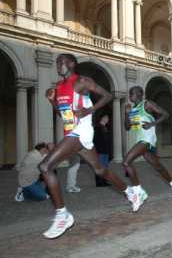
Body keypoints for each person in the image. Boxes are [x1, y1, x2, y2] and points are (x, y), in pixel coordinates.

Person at [39, 53, 140, 239]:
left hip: (81, 131)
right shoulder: (60, 87)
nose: (57, 66)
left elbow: (107, 95)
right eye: (56, 63)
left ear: (71, 64)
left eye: (61, 62)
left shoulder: (82, 81)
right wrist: (53, 101)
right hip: (71, 132)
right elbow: (63, 115)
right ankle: (131, 192)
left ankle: (63, 215)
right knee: (100, 170)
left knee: (45, 166)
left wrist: (90, 110)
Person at [124, 86, 172, 208]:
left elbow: (165, 115)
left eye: (132, 93)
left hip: (147, 139)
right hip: (141, 140)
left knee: (126, 162)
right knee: (158, 167)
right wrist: (126, 114)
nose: (130, 96)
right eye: (129, 94)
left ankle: (140, 192)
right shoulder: (133, 109)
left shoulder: (147, 104)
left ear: (139, 93)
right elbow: (127, 127)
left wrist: (152, 124)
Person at [93, 113, 111, 186]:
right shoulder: (98, 128)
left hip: (105, 150)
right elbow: (95, 139)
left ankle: (104, 180)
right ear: (103, 118)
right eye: (107, 118)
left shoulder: (105, 127)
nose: (108, 119)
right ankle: (99, 182)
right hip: (100, 150)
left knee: (105, 166)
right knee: (99, 166)